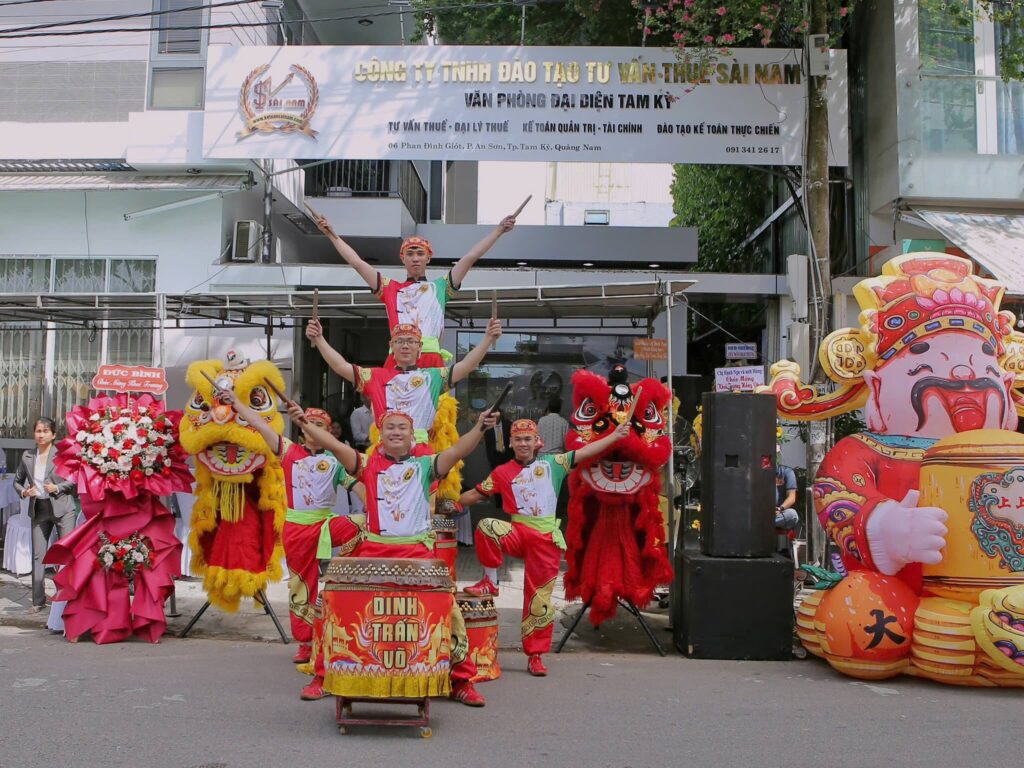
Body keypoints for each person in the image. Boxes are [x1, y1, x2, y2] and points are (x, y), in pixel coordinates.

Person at [292, 405, 500, 706]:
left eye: (402, 427)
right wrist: (303, 423)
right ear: (380, 434)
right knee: (333, 601)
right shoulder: (366, 464)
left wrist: (480, 426)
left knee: (448, 610)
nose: (396, 432)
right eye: (390, 427)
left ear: (412, 435)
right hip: (373, 550)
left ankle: (460, 681)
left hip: (416, 552)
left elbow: (458, 450)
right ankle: (323, 676)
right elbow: (333, 445)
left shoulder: (426, 465)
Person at [459, 418, 631, 676]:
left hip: (545, 541)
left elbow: (586, 452)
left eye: (527, 439)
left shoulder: (554, 464)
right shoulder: (502, 472)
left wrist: (615, 436)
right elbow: (473, 495)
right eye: (518, 439)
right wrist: (445, 502)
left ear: (537, 441)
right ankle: (490, 581)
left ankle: (536, 655)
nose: (523, 444)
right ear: (511, 443)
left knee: (539, 601)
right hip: (517, 533)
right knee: (487, 526)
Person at [219, 391, 358, 671]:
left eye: (321, 426)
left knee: (364, 526)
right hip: (297, 528)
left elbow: (361, 488)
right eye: (310, 425)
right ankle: (306, 642)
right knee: (300, 586)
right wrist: (236, 404)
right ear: (302, 430)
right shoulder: (288, 451)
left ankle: (345, 587)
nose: (315, 430)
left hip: (326, 524)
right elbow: (260, 425)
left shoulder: (337, 461)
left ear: (330, 432)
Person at [310, 211, 517, 367]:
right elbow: (357, 263)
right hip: (397, 357)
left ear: (428, 257)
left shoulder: (440, 287)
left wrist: (498, 231)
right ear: (403, 258)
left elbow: (471, 257)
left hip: (431, 357)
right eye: (410, 254)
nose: (415, 258)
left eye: (420, 253)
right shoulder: (389, 288)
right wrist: (331, 235)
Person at [306, 318, 502, 448]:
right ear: (391, 346)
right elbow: (340, 366)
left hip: (421, 453)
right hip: (384, 451)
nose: (405, 345)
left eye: (411, 341)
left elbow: (467, 365)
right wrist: (320, 339)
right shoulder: (375, 376)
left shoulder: (433, 377)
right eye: (399, 341)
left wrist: (487, 339)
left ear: (420, 347)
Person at [13, 417, 77, 611]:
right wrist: (25, 492)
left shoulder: (62, 454)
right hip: (39, 510)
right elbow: (17, 481)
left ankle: (66, 599)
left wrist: (57, 487)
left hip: (63, 510)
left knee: (65, 555)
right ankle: (38, 601)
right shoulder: (27, 456)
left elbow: (73, 479)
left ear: (53, 434)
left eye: (45, 431)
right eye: (38, 431)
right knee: (38, 556)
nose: (41, 435)